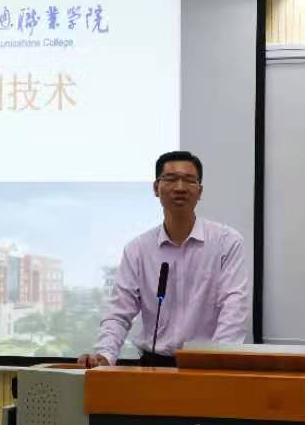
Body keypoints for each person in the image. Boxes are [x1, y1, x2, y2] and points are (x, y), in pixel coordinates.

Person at [78, 150, 249, 367]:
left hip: (207, 365)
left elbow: (234, 309)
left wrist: (218, 361)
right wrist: (105, 354)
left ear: (200, 191)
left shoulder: (226, 242)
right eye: (170, 179)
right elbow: (119, 312)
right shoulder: (138, 249)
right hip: (153, 365)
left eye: (189, 180)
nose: (180, 187)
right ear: (156, 188)